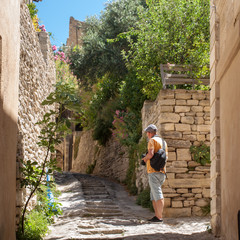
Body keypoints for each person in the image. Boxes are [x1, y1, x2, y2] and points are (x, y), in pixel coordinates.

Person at [142, 124, 168, 222]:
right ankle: (156, 215)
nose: (147, 135)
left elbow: (151, 154)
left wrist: (144, 159)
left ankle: (159, 217)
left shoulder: (152, 141)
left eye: (147, 133)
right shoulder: (163, 142)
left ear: (149, 133)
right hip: (162, 171)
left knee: (157, 193)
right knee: (153, 194)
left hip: (153, 171)